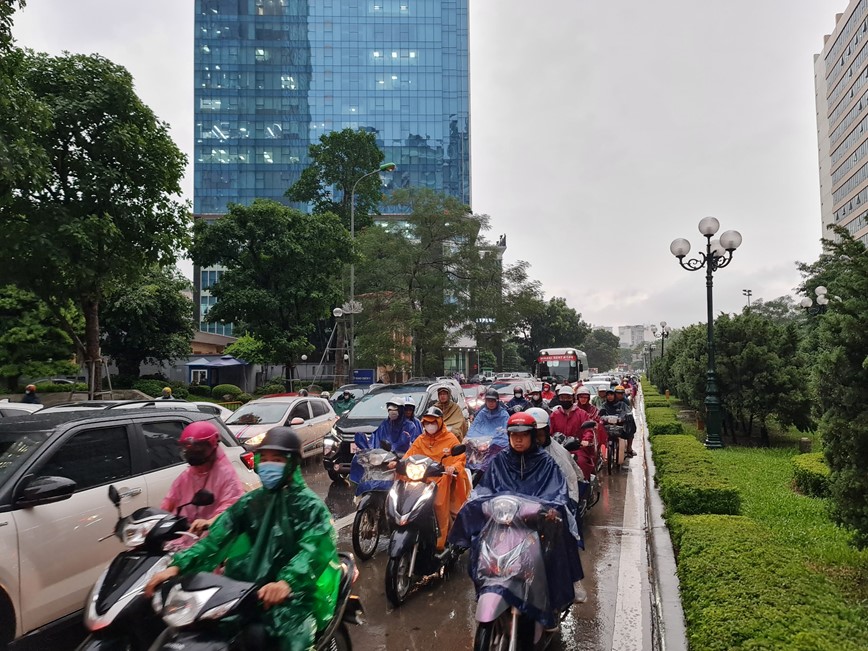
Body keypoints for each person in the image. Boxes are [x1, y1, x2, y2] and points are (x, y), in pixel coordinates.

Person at [145, 427, 341, 651]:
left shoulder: (309, 506)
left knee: (288, 639)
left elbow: (314, 548)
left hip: (293, 595)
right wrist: (178, 566)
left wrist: (287, 582)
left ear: (292, 464)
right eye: (264, 458)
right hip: (245, 591)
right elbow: (215, 540)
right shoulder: (250, 502)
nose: (268, 465)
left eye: (276, 459)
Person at [449, 412, 584, 623]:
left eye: (523, 435)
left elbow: (557, 492)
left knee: (556, 545)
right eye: (513, 435)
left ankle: (554, 603)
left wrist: (550, 510)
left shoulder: (546, 462)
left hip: (533, 526)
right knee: (478, 546)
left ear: (532, 436)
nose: (518, 440)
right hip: (502, 527)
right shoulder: (499, 461)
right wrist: (475, 503)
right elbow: (484, 489)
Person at [396, 407, 470, 551]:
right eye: (427, 422)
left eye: (433, 422)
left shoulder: (450, 439)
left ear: (440, 422)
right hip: (420, 478)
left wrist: (452, 467)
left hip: (442, 479)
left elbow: (459, 458)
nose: (430, 425)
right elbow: (409, 455)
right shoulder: (420, 439)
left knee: (437, 503)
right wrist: (399, 464)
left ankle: (442, 536)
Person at [525, 407, 581, 517]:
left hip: (549, 505)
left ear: (546, 432)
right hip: (520, 503)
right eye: (531, 434)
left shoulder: (558, 456)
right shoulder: (512, 453)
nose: (535, 439)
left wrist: (562, 508)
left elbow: (570, 487)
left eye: (539, 434)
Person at [465, 387, 510, 470]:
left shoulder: (504, 414)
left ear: (497, 401)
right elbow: (474, 428)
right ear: (485, 401)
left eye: (493, 401)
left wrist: (492, 442)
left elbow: (505, 433)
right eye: (489, 401)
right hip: (480, 446)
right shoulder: (482, 413)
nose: (491, 403)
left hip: (495, 447)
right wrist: (470, 440)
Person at [600, 388, 635, 457]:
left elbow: (627, 412)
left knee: (630, 424)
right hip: (608, 425)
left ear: (614, 396)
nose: (610, 396)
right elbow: (600, 413)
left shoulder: (622, 404)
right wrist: (604, 418)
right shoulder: (604, 405)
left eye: (611, 395)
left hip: (620, 424)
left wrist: (623, 418)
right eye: (608, 395)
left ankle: (629, 448)